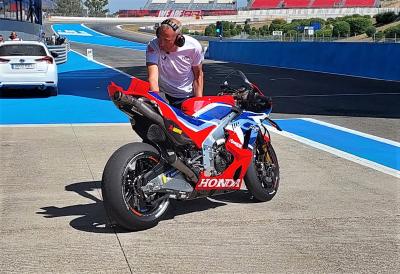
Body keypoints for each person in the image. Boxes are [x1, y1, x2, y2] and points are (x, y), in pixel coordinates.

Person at [146, 18, 204, 109]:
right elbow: (152, 77)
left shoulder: (194, 47)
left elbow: (198, 75)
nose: (161, 44)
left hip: (187, 97)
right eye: (159, 38)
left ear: (178, 39)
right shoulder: (153, 45)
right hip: (164, 95)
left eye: (166, 40)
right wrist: (157, 100)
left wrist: (198, 103)